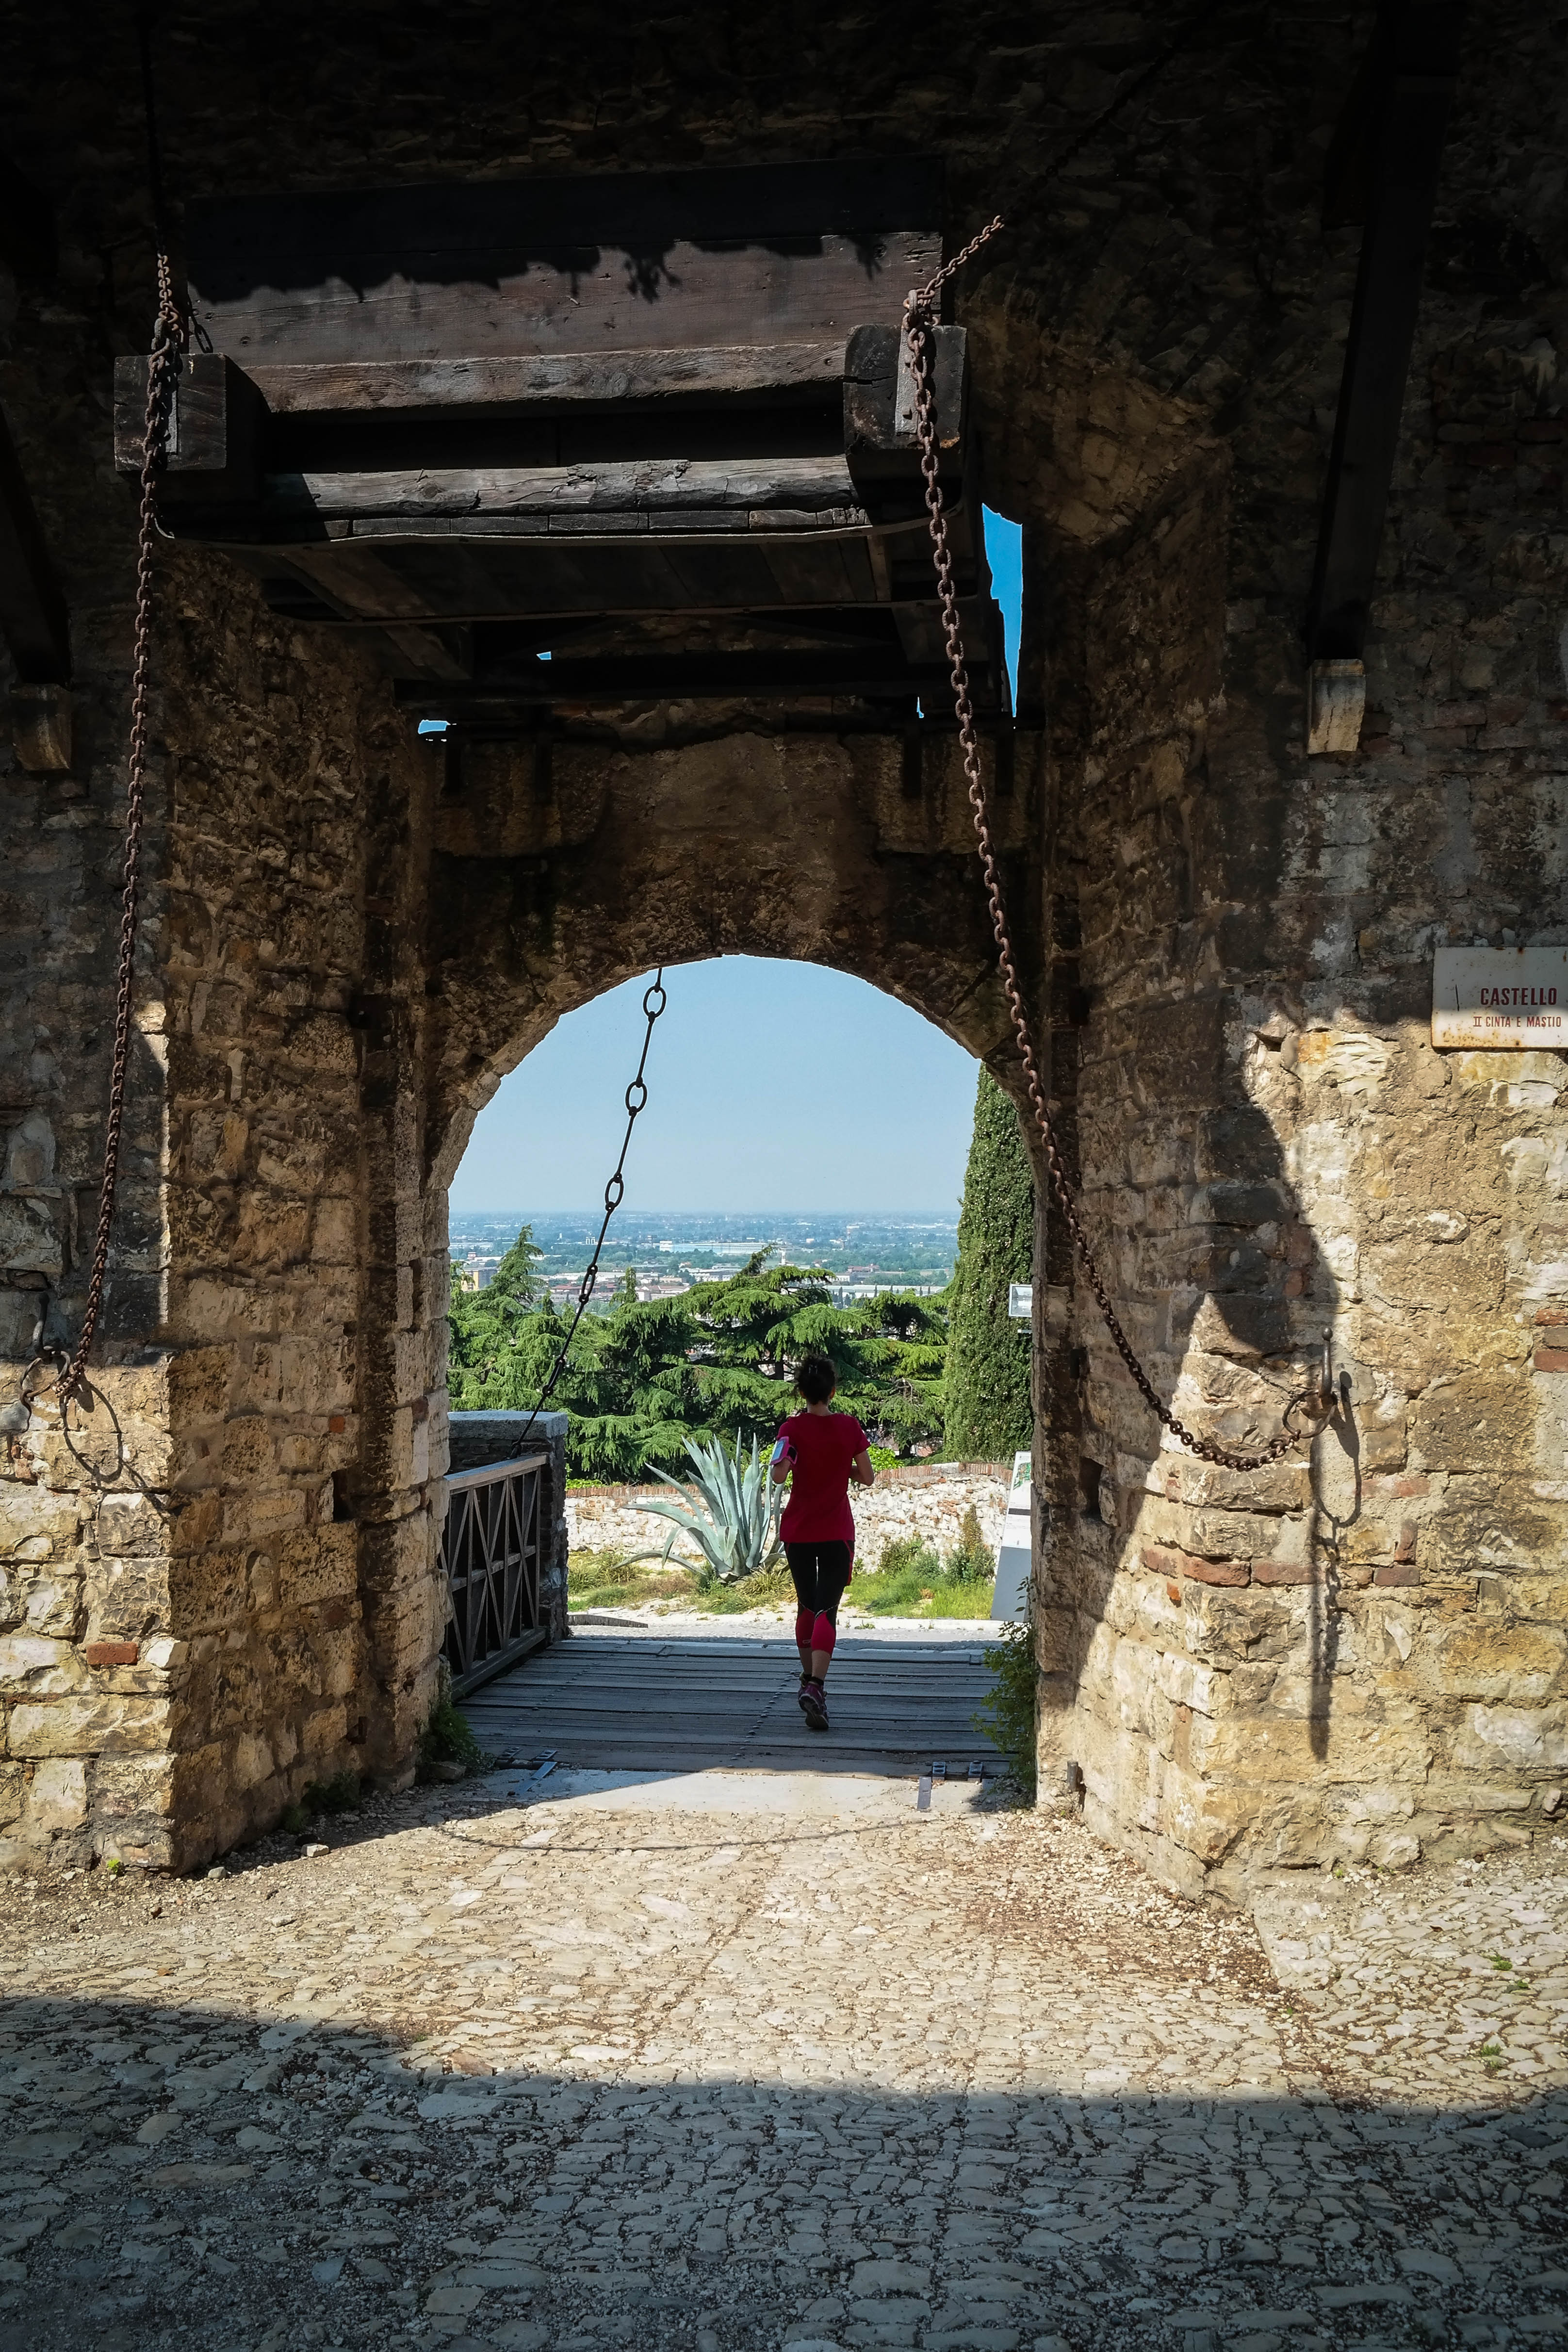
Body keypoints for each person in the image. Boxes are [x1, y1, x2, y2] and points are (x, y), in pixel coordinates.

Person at [770, 1353, 875, 1731]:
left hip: (798, 1531)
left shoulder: (791, 1429)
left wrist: (797, 1457)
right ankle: (816, 1686)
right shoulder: (849, 1428)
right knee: (827, 1611)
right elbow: (867, 1477)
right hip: (836, 1531)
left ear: (801, 1391)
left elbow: (780, 1476)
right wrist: (839, 1466)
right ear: (833, 1391)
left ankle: (809, 1684)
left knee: (806, 1606)